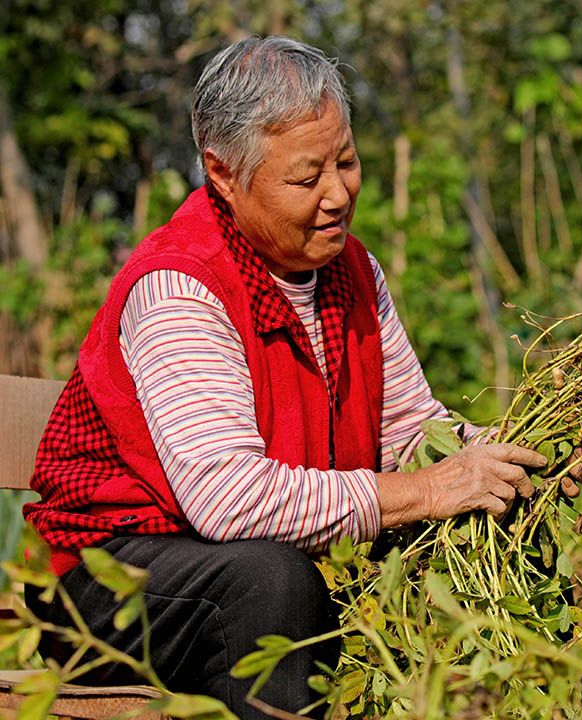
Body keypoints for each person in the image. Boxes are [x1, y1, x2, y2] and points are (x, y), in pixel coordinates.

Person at [22, 36, 550, 717]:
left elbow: (411, 430)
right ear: (222, 172)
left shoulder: (352, 270)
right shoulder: (181, 286)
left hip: (244, 560)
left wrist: (500, 453)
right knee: (270, 581)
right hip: (108, 576)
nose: (337, 194)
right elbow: (229, 501)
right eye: (306, 179)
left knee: (447, 542)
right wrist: (424, 492)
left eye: (349, 161)